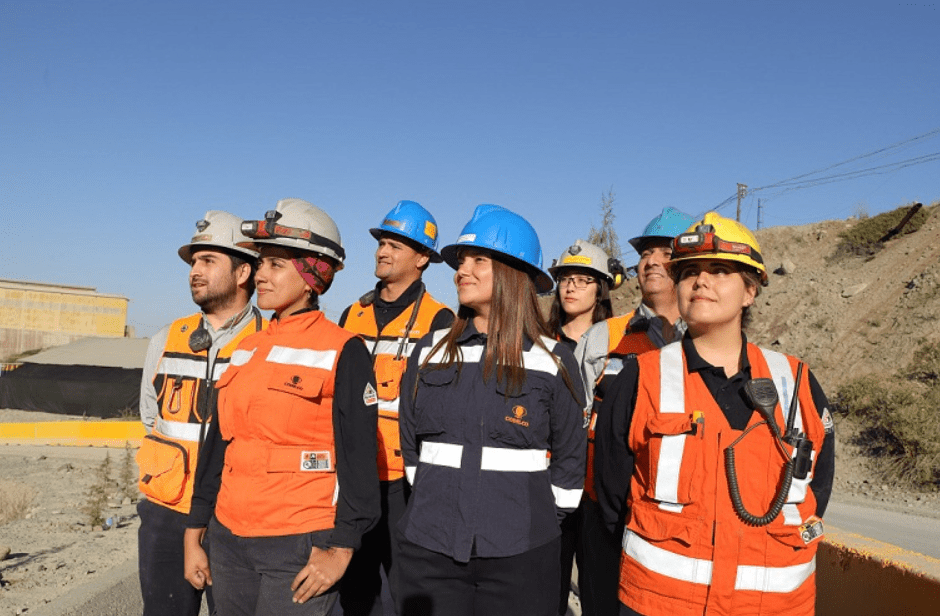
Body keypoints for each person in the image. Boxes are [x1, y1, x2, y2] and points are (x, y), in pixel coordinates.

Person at [594, 212, 835, 616]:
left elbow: (817, 487)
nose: (701, 281)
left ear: (750, 292)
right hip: (660, 604)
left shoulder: (797, 382)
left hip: (774, 607)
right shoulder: (640, 379)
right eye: (689, 272)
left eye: (720, 270)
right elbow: (613, 496)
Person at [183, 199, 381, 616]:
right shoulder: (248, 347)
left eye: (275, 265)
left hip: (298, 542)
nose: (260, 276)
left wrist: (341, 548)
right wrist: (195, 530)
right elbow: (219, 444)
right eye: (260, 264)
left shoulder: (343, 350)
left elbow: (359, 459)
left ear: (312, 276)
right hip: (228, 538)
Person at [396, 204, 587, 616]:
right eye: (461, 261)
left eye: (478, 259)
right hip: (430, 549)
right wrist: (433, 497)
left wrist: (532, 520)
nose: (462, 270)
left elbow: (570, 461)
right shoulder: (429, 350)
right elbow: (411, 445)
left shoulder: (553, 360)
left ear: (514, 273)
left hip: (521, 555)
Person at [136, 210, 265, 616]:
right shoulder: (165, 339)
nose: (195, 270)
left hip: (237, 519)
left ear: (243, 272)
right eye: (193, 262)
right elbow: (150, 418)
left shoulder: (269, 344)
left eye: (208, 261)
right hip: (167, 515)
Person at [573, 207, 695, 616]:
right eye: (645, 253)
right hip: (603, 511)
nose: (650, 261)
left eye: (665, 252)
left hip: (678, 517)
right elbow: (572, 419)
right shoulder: (602, 336)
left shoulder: (709, 340)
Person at [337, 200, 454, 615]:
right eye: (382, 242)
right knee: (352, 586)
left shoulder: (441, 322)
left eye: (395, 246)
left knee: (402, 587)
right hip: (350, 475)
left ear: (423, 258)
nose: (382, 251)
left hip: (402, 482)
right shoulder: (353, 313)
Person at [545, 239, 622, 615]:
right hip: (547, 488)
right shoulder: (536, 342)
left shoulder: (621, 343)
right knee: (546, 591)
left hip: (597, 493)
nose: (571, 287)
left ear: (601, 289)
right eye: (565, 279)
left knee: (599, 594)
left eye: (582, 279)